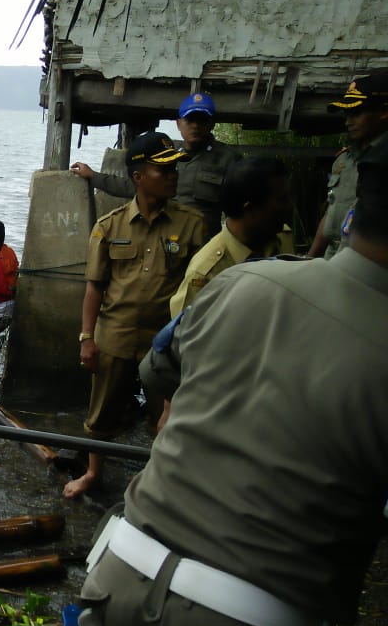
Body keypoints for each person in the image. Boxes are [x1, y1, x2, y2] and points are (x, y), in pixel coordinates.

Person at [63, 155, 388, 626]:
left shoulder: (245, 280)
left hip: (121, 574)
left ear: (353, 215)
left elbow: (157, 372)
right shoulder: (221, 266)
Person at [70, 132, 205, 499]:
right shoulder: (110, 226)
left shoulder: (193, 225)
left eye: (174, 168)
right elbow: (95, 287)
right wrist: (87, 338)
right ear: (138, 177)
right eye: (163, 170)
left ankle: (158, 484)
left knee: (166, 416)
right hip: (115, 333)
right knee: (101, 412)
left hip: (165, 340)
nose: (173, 175)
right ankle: (93, 473)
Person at [71, 91, 240, 237]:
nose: (195, 126)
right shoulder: (165, 153)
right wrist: (94, 176)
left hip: (202, 244)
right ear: (179, 123)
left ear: (212, 124)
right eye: (190, 120)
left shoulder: (228, 159)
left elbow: (240, 209)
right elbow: (134, 185)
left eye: (202, 120)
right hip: (163, 239)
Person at [169, 156, 295, 317]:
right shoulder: (205, 274)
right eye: (282, 200)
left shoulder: (283, 237)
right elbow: (185, 336)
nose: (289, 205)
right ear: (250, 209)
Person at [308, 72, 388, 259]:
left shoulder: (382, 163)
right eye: (347, 113)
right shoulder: (344, 160)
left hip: (365, 263)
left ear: (384, 112)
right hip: (332, 258)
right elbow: (332, 211)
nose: (348, 121)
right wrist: (309, 258)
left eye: (357, 112)